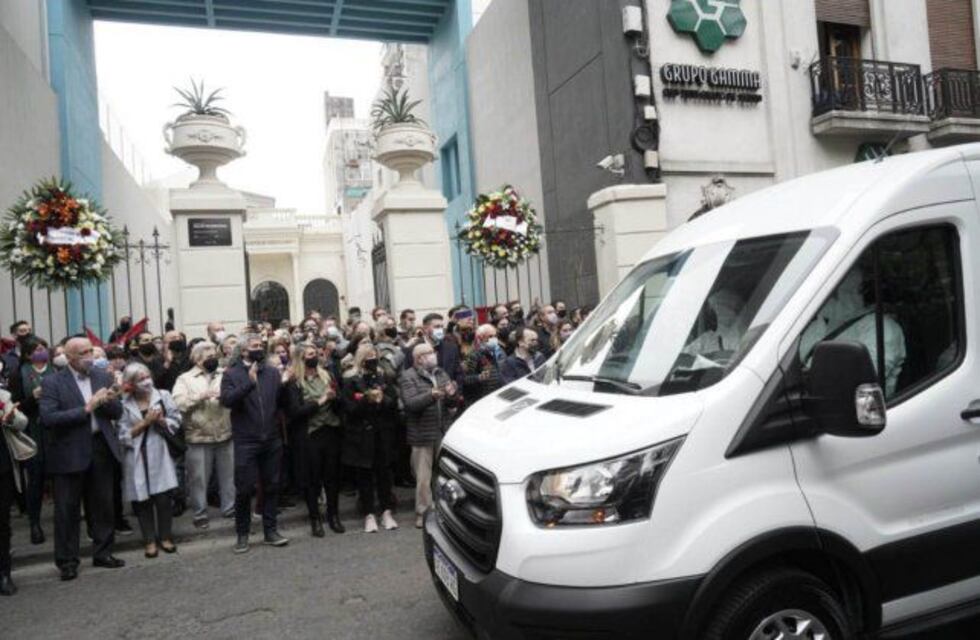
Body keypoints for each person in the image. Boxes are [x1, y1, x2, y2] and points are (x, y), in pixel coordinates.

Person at [40, 337, 125, 581]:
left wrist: (108, 400)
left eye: (91, 351)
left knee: (103, 505)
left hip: (100, 447)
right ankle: (67, 561)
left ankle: (103, 552)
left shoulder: (102, 376)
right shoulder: (53, 382)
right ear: (69, 357)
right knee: (67, 509)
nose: (90, 356)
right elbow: (48, 418)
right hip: (68, 451)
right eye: (83, 353)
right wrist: (87, 408)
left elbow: (116, 412)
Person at [220, 333, 289, 553]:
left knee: (271, 485)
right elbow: (227, 401)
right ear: (243, 351)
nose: (259, 348)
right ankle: (242, 534)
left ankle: (270, 530)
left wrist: (287, 384)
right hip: (246, 440)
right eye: (254, 346)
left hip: (271, 438)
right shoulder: (231, 374)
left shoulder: (271, 372)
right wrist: (249, 384)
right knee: (244, 488)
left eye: (261, 345)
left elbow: (280, 403)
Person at [117, 363, 181, 558]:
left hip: (160, 453)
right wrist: (145, 423)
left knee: (163, 499)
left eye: (147, 376)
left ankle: (165, 537)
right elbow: (121, 435)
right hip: (137, 455)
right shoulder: (123, 404)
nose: (146, 381)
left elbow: (176, 420)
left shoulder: (162, 395)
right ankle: (149, 541)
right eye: (140, 379)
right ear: (131, 384)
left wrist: (162, 421)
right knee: (142, 501)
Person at [284, 343, 344, 537]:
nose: (314, 357)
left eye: (315, 353)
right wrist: (320, 401)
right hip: (309, 435)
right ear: (301, 358)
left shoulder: (327, 375)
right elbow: (295, 412)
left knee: (332, 477)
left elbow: (339, 400)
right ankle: (315, 519)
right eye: (310, 354)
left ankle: (334, 516)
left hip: (330, 430)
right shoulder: (294, 382)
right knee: (312, 479)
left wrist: (334, 398)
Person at [172, 342, 235, 529]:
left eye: (214, 355)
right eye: (208, 357)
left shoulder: (225, 373)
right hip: (198, 436)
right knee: (198, 479)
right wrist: (200, 397)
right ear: (197, 359)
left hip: (225, 433)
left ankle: (229, 508)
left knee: (229, 476)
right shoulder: (185, 379)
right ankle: (200, 513)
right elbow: (178, 403)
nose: (212, 359)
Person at [400, 343, 459, 528]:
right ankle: (423, 513)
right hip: (422, 434)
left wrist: (452, 394)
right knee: (423, 479)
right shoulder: (408, 376)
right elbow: (410, 404)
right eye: (429, 353)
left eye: (433, 352)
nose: (434, 356)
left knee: (442, 474)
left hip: (442, 431)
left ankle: (444, 509)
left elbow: (451, 403)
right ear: (419, 358)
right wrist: (431, 395)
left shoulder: (440, 373)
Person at [342, 342, 399, 533]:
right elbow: (349, 410)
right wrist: (367, 400)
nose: (371, 360)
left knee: (384, 476)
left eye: (374, 355)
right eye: (367, 357)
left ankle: (386, 511)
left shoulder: (384, 377)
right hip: (361, 437)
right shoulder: (351, 380)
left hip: (382, 435)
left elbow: (393, 403)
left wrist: (382, 399)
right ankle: (369, 514)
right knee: (364, 477)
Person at [14, 338, 54, 545]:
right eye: (37, 350)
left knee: (59, 478)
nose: (41, 352)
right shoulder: (20, 374)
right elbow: (15, 406)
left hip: (55, 431)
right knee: (36, 480)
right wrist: (33, 398)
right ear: (28, 355)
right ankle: (35, 524)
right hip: (32, 432)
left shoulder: (55, 370)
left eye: (43, 348)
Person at [0, 384, 29, 595]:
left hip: (2, 468)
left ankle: (4, 574)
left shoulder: (2, 396)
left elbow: (22, 422)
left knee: (2, 523)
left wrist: (10, 417)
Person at [462, 324, 504, 405]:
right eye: (491, 336)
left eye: (495, 336)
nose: (494, 339)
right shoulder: (473, 355)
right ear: (480, 337)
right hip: (482, 398)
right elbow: (465, 379)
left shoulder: (498, 351)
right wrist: (479, 378)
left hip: (497, 395)